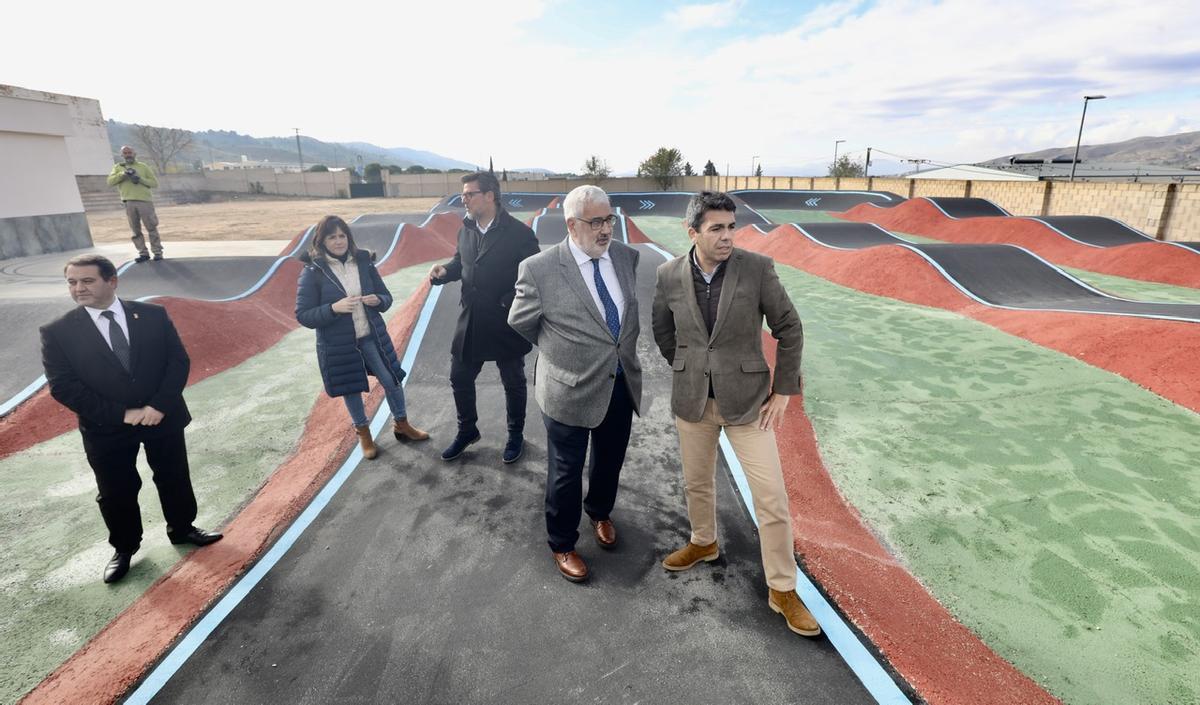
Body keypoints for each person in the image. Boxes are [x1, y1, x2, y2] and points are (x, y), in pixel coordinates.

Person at [651, 191, 821, 637]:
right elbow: (662, 331)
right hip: (692, 401)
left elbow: (790, 328)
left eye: (731, 227)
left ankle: (782, 589)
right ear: (693, 232)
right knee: (695, 482)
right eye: (717, 228)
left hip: (748, 403)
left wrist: (784, 390)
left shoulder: (757, 269)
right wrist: (687, 366)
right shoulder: (668, 274)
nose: (727, 236)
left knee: (772, 498)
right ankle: (703, 542)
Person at [40, 254, 223, 584]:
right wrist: (122, 414)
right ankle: (124, 548)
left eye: (87, 281)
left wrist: (158, 406)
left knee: (173, 476)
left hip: (161, 418)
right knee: (115, 491)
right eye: (71, 282)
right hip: (105, 427)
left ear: (112, 281)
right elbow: (63, 387)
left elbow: (177, 362)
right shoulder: (58, 332)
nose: (78, 288)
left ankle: (182, 529)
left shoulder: (152, 315)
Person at [508, 185, 642, 583]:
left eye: (609, 220)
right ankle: (562, 543)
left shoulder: (625, 256)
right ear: (571, 224)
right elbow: (521, 320)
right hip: (566, 386)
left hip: (618, 380)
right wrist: (561, 351)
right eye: (596, 221)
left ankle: (599, 512)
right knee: (565, 471)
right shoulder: (540, 268)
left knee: (610, 458)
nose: (605, 230)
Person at [296, 216, 429, 459]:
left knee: (392, 380)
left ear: (348, 237)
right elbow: (303, 315)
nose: (338, 241)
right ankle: (364, 435)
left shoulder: (364, 263)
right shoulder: (313, 272)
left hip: (371, 337)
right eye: (332, 237)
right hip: (339, 343)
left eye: (342, 235)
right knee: (351, 388)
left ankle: (402, 424)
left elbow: (385, 296)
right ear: (321, 241)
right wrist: (333, 308)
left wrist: (378, 300)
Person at [429, 172, 540, 463]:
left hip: (506, 320)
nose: (463, 199)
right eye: (463, 194)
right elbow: (461, 262)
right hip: (472, 317)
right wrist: (445, 271)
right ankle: (467, 430)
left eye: (469, 194)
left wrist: (508, 301)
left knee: (513, 381)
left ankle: (515, 435)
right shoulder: (465, 228)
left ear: (489, 196)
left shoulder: (520, 233)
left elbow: (534, 278)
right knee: (459, 377)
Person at [106, 145, 162, 263]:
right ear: (122, 155)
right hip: (129, 201)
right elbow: (110, 182)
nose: (128, 155)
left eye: (130, 152)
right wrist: (123, 175)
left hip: (144, 201)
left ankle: (157, 252)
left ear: (134, 153)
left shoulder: (143, 166)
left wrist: (140, 179)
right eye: (125, 153)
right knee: (135, 230)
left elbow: (154, 183)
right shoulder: (118, 168)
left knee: (151, 226)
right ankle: (143, 253)